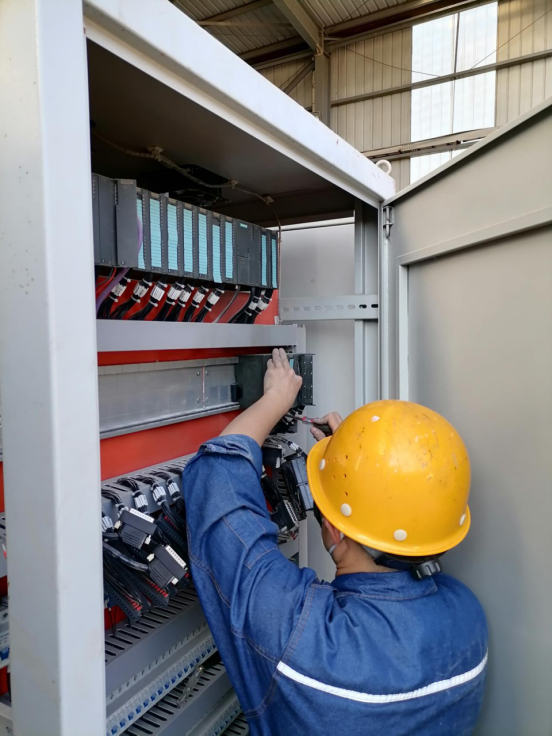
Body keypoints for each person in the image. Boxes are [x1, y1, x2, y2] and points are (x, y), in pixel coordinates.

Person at [183, 349, 488, 735]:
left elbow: (217, 480)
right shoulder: (467, 614)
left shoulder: (308, 640)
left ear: (334, 530)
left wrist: (275, 400)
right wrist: (356, 460)